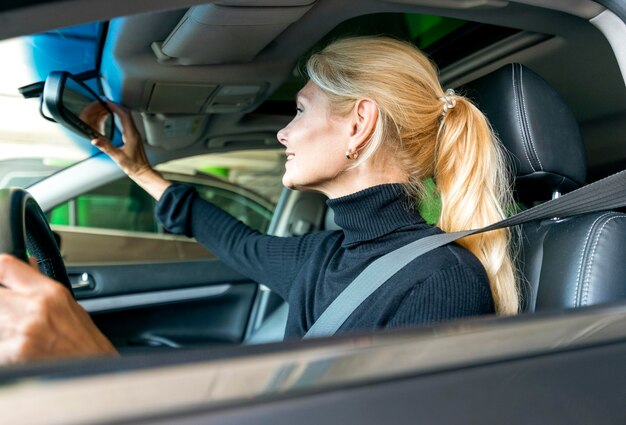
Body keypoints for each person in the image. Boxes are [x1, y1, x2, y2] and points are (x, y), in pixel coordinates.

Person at [0, 36, 517, 362]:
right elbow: (230, 238)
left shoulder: (441, 283)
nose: (283, 134)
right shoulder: (323, 256)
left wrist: (97, 365)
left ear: (359, 123)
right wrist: (138, 169)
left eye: (299, 111)